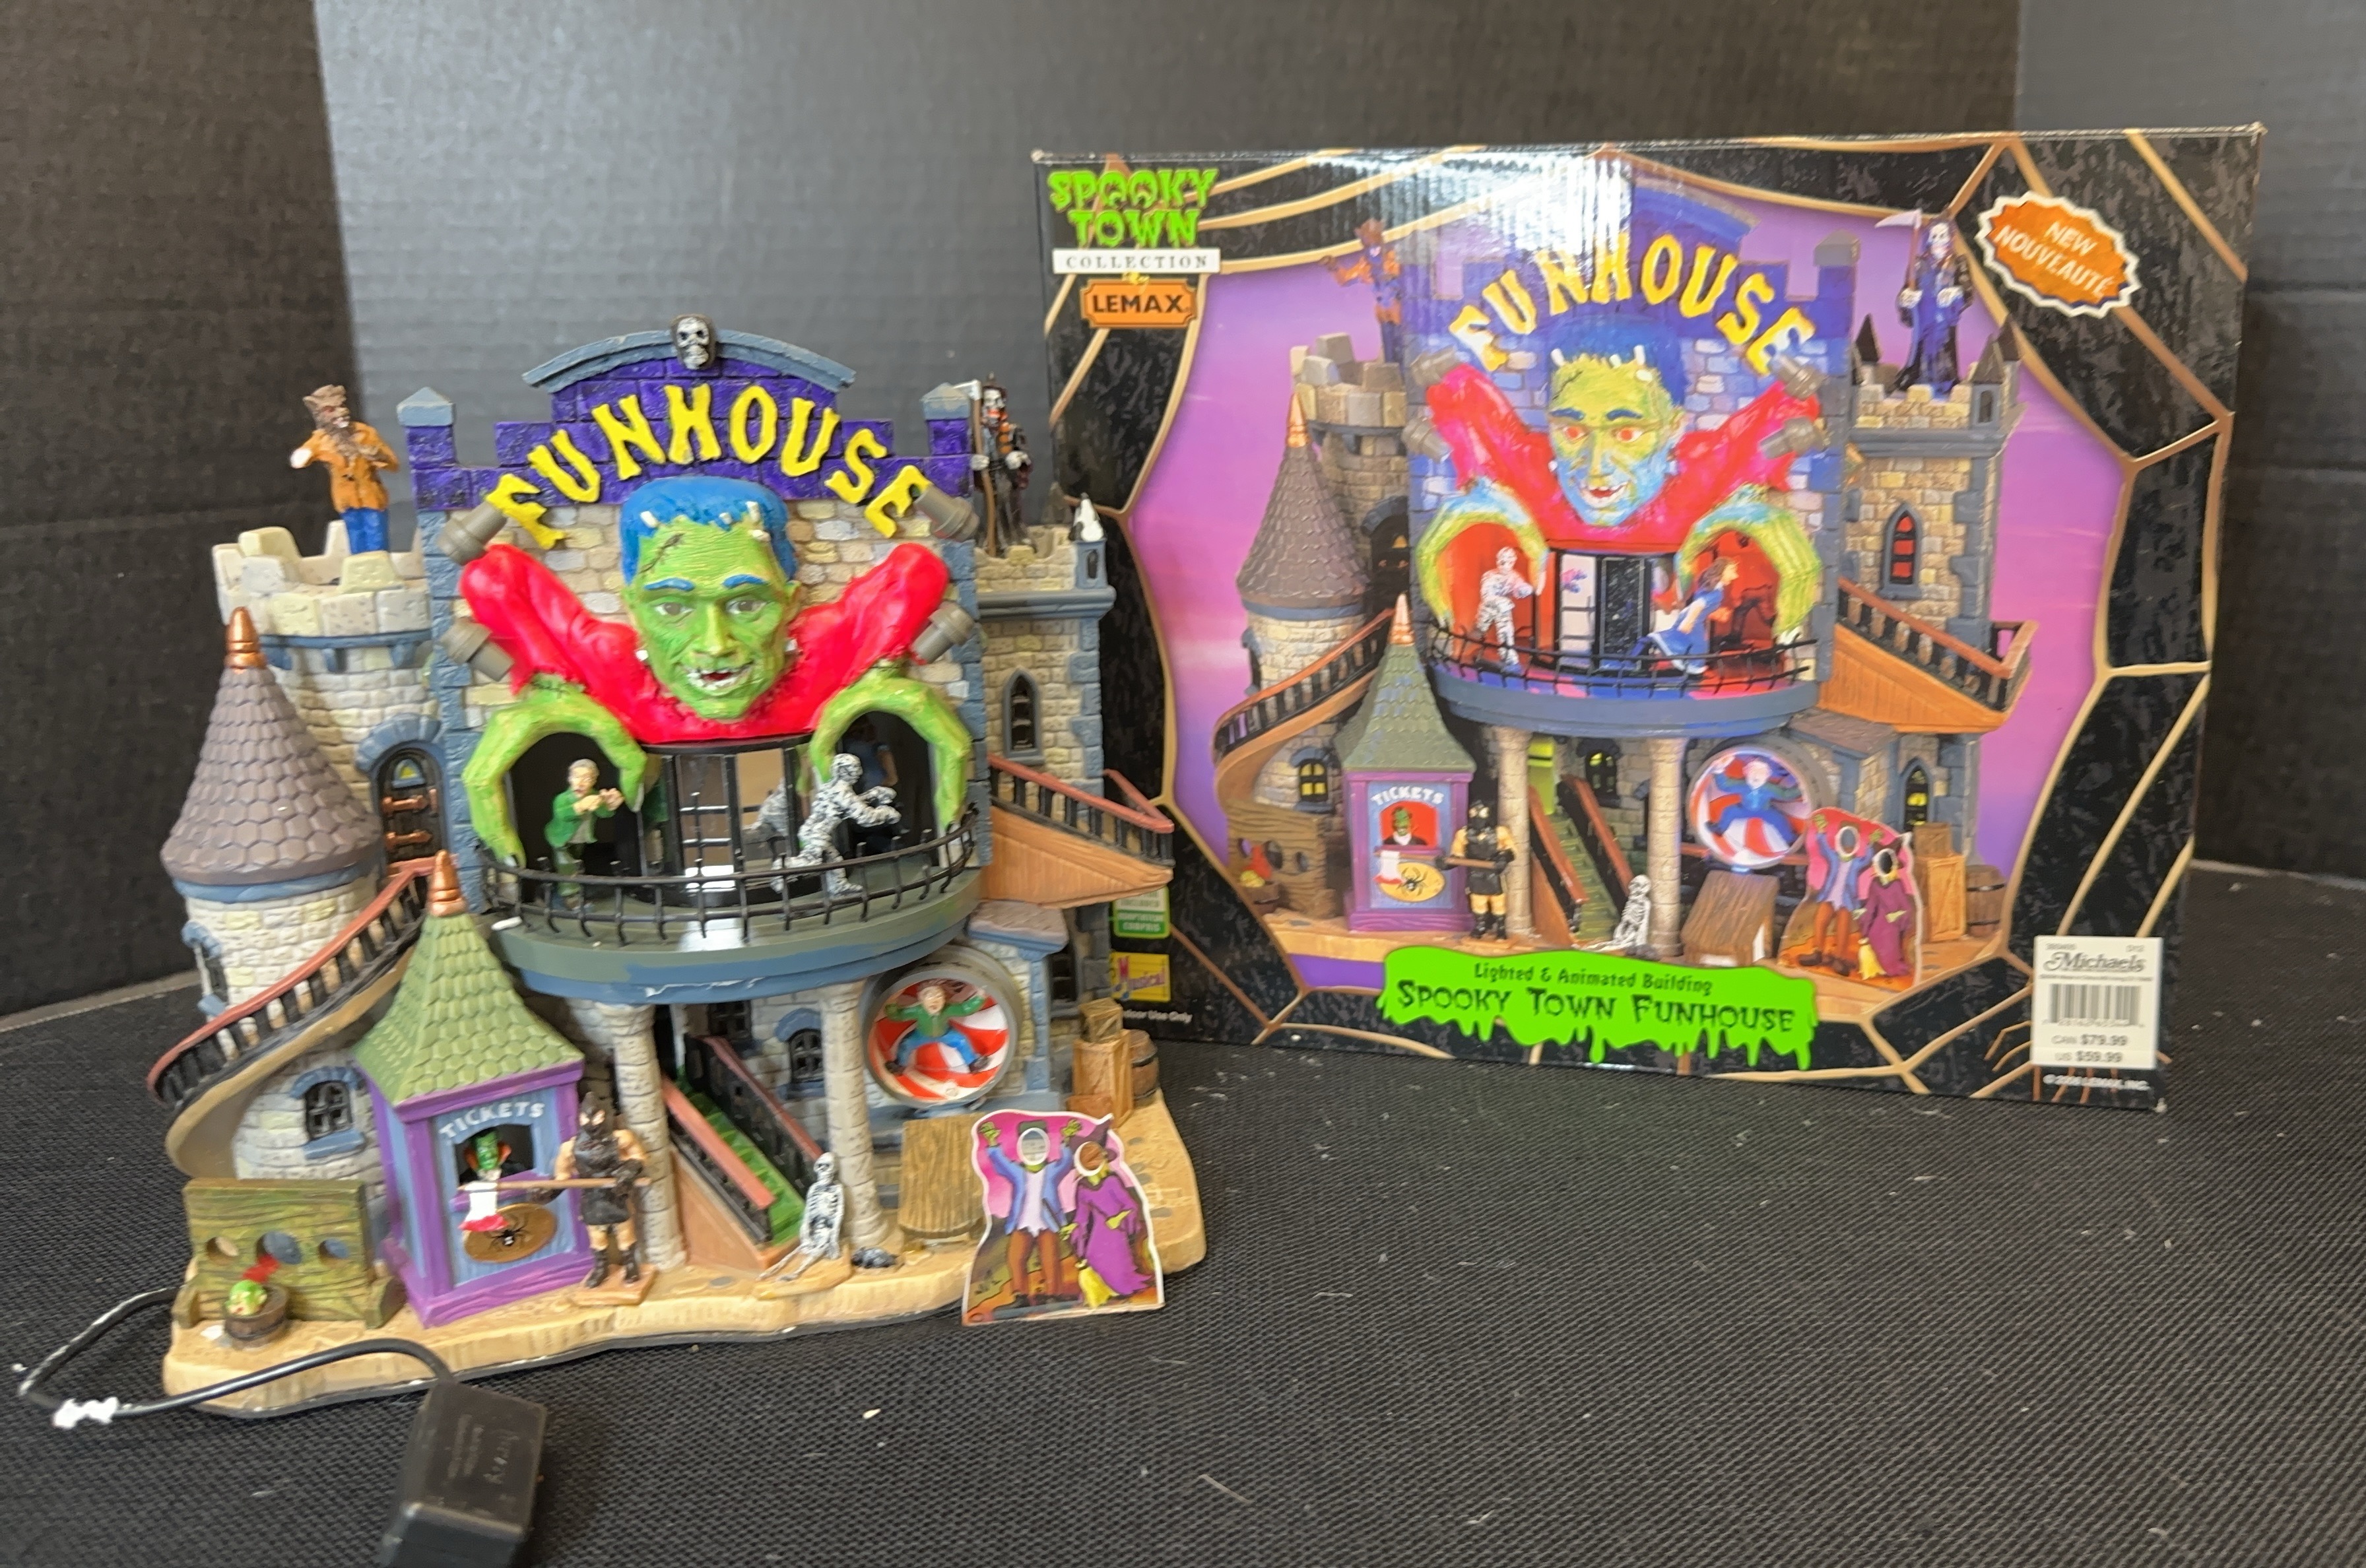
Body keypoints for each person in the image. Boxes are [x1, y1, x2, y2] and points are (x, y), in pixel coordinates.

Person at [978, 1119, 1082, 1307]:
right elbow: (1001, 1163)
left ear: (1046, 1146)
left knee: (1049, 1258)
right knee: (1015, 1258)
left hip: (1047, 1222)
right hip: (1022, 1223)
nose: (1034, 1150)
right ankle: (1021, 1296)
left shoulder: (1052, 1171)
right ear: (1021, 1148)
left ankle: (1054, 1294)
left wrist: (1067, 1140)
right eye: (1028, 1146)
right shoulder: (1017, 1172)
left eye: (1038, 1145)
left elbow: (1066, 1163)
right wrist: (992, 1142)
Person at [545, 1096, 646, 1288]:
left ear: (604, 1117)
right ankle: (601, 1268)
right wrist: (548, 1191)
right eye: (587, 1118)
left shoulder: (622, 1138)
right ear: (580, 1119)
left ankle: (630, 1264)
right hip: (592, 1197)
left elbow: (639, 1157)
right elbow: (562, 1175)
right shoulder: (570, 1148)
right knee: (597, 1235)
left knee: (624, 1231)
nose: (592, 1123)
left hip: (617, 1193)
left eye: (597, 1117)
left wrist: (630, 1169)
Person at [289, 384, 401, 554]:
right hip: (346, 499)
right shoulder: (321, 440)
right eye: (330, 410)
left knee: (376, 535)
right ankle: (359, 566)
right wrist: (305, 454)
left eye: (341, 406)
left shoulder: (366, 433)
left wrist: (377, 455)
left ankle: (378, 565)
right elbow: (299, 460)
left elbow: (393, 464)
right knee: (356, 537)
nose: (339, 412)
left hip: (371, 496)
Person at [1061, 1140, 1154, 1308]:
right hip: (1098, 1231)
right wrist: (1072, 1227)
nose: (1106, 1164)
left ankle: (1118, 1290)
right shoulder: (1082, 1188)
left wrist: (1118, 1218)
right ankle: (1103, 1292)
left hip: (1116, 1230)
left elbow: (1131, 1206)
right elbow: (1082, 1216)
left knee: (1116, 1262)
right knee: (1092, 1256)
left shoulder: (1112, 1182)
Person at [1895, 220, 1973, 395]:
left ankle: (1944, 382)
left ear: (1950, 238)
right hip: (1924, 315)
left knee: (1943, 349)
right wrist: (1906, 298)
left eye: (1942, 235)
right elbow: (1906, 290)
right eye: (1935, 236)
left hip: (1944, 317)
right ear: (1928, 238)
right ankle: (1917, 378)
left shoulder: (1959, 263)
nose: (1938, 240)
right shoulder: (1917, 264)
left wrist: (1956, 292)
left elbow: (1967, 289)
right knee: (1920, 349)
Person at [1325, 218, 1404, 361]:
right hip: (1382, 309)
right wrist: (1333, 267)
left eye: (1375, 245)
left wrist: (1391, 276)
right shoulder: (1365, 265)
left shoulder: (1392, 258)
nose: (1373, 250)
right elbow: (1345, 279)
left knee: (1403, 346)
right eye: (1368, 246)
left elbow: (1404, 275)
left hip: (1398, 306)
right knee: (1389, 350)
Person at [883, 980, 991, 1075]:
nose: (935, 1001)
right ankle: (900, 1065)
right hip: (921, 1035)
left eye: (939, 996)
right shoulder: (918, 1010)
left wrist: (980, 997)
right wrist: (891, 1004)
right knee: (906, 1044)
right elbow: (898, 1016)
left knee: (961, 1041)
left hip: (945, 1034)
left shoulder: (948, 1008)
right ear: (922, 999)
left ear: (944, 998)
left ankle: (973, 1063)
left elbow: (965, 1009)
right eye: (930, 997)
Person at [1447, 799, 1515, 940]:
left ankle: (1501, 928)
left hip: (1494, 873)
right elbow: (1457, 855)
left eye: (1482, 813)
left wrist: (1504, 857)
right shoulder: (1463, 834)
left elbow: (1511, 849)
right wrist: (1447, 863)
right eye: (1475, 813)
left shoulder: (1500, 832)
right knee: (1478, 901)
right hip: (1475, 873)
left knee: (1498, 901)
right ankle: (1480, 926)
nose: (1478, 817)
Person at [546, 759, 624, 881]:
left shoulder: (594, 796)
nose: (580, 783)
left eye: (587, 779)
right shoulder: (563, 799)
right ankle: (569, 889)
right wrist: (581, 806)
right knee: (566, 865)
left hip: (580, 840)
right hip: (561, 839)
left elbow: (603, 813)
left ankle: (577, 882)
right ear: (570, 779)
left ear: (594, 781)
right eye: (576, 777)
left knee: (578, 862)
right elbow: (563, 814)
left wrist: (610, 806)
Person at [1857, 845, 1919, 981]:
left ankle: (1887, 967)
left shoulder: (1896, 885)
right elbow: (1871, 907)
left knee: (1885, 939)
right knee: (1876, 936)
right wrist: (1864, 921)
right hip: (1880, 923)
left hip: (1891, 925)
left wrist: (1897, 916)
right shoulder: (1876, 884)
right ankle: (1880, 967)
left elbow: (1906, 908)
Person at [1474, 546, 1538, 671]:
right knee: (1479, 629)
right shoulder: (1490, 576)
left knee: (1505, 627)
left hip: (1503, 609)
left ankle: (1508, 656)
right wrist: (1499, 601)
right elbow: (1486, 596)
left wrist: (1525, 589)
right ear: (1498, 561)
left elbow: (1518, 587)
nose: (1505, 565)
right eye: (1503, 561)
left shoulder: (1514, 576)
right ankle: (1476, 638)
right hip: (1488, 608)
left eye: (1509, 561)